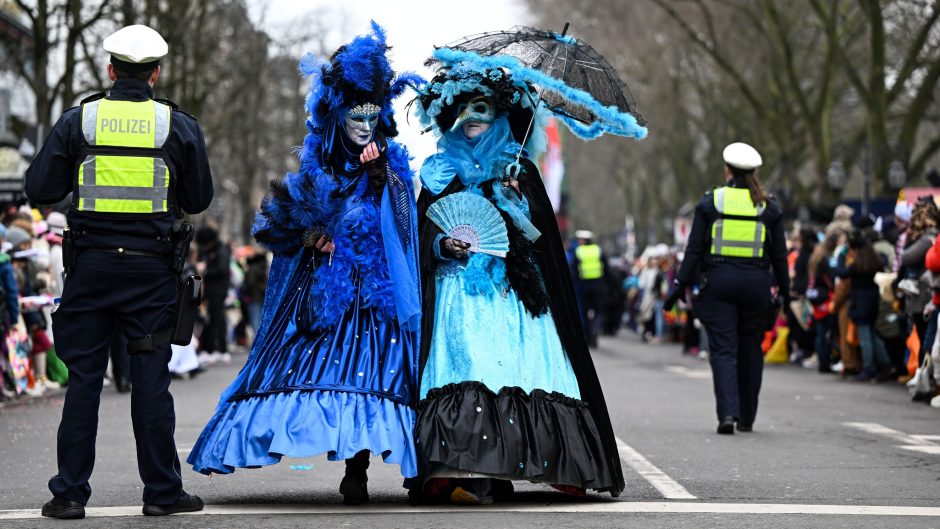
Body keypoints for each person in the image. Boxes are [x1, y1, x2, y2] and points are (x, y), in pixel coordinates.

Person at [187, 22, 423, 506]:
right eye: (355, 117)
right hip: (325, 296)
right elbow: (278, 228)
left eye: (371, 117)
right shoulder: (318, 166)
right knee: (329, 374)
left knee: (378, 378)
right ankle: (348, 464)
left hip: (376, 299)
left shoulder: (392, 166)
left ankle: (364, 467)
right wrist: (311, 236)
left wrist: (383, 181)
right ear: (336, 116)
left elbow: (405, 225)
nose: (364, 126)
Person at [411, 61, 624, 504]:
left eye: (482, 112)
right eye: (464, 114)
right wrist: (443, 245)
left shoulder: (519, 168)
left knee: (519, 367)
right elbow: (423, 231)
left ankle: (518, 464)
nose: (472, 121)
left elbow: (538, 236)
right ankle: (465, 472)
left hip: (512, 292)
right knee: (468, 362)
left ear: (499, 117)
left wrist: (515, 203)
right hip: (458, 292)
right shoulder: (437, 171)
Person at [24, 25, 214, 518]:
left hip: (90, 267)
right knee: (151, 380)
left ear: (110, 70)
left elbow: (40, 189)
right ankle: (162, 493)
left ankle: (68, 493)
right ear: (156, 72)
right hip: (151, 273)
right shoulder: (178, 126)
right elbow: (197, 199)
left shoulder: (78, 122)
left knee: (84, 377)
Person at [666, 142, 788, 434]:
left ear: (727, 170)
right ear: (755, 171)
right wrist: (785, 291)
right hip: (757, 285)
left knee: (723, 351)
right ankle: (747, 417)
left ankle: (727, 414)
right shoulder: (768, 207)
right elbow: (779, 256)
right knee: (751, 350)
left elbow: (694, 251)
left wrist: (678, 287)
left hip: (719, 283)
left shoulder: (711, 202)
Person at [572, 230, 608, 347]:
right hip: (598, 286)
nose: (579, 241)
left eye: (580, 240)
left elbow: (574, 271)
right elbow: (606, 269)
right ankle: (596, 328)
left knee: (585, 312)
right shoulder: (598, 250)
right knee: (598, 310)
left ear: (584, 240)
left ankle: (589, 335)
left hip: (583, 287)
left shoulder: (578, 251)